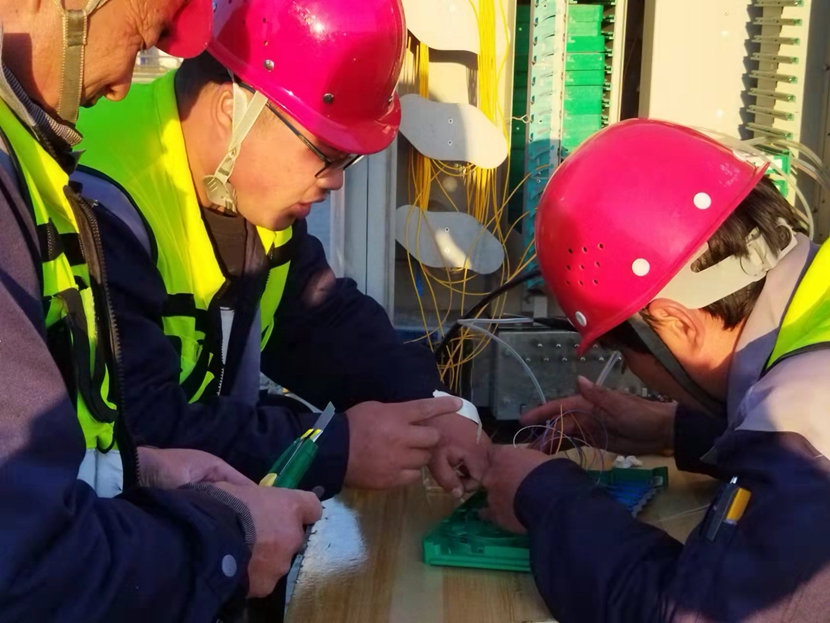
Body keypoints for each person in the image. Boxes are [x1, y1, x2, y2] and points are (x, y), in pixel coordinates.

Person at [72, 0, 485, 500]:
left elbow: (320, 321)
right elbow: (143, 425)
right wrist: (332, 449)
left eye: (347, 159)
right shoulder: (97, 199)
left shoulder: (247, 191)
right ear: (232, 110)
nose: (335, 180)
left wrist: (433, 409)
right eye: (325, 152)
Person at [0, 1, 322, 620]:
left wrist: (127, 472)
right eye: (138, 36)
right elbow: (29, 565)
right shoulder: (81, 185)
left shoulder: (26, 156)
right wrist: (228, 542)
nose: (124, 86)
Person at [482, 119, 830, 622]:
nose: (633, 371)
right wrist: (674, 431)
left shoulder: (805, 413)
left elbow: (689, 615)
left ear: (676, 323)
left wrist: (543, 495)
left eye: (623, 353)